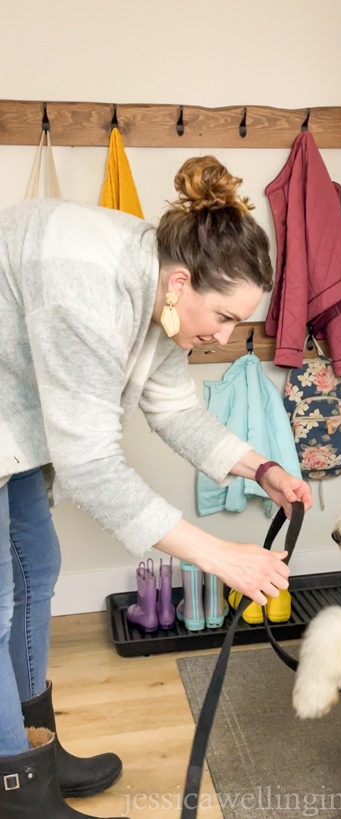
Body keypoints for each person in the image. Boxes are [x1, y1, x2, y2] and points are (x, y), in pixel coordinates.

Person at [0, 155, 312, 819]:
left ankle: (33, 748)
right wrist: (217, 554)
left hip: (15, 406)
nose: (223, 337)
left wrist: (261, 466)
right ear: (181, 282)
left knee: (37, 565)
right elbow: (91, 466)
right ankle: (15, 791)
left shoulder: (166, 295)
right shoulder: (90, 284)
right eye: (224, 317)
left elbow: (173, 408)